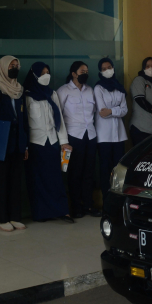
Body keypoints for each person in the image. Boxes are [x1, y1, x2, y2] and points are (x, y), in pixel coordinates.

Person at [24, 62, 74, 224]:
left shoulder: (52, 94)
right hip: (36, 143)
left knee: (56, 179)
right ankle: (41, 214)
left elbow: (59, 120)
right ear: (34, 75)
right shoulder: (27, 95)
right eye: (42, 73)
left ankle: (62, 211)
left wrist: (64, 142)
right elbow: (24, 123)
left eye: (48, 72)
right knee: (38, 181)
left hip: (52, 142)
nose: (46, 75)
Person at [0, 56, 29, 232]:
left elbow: (23, 118)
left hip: (18, 142)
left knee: (16, 181)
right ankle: (1, 218)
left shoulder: (19, 89)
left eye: (17, 65)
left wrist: (25, 145)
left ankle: (15, 217)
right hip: (1, 142)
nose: (15, 68)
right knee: (1, 181)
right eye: (11, 65)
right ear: (3, 67)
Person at [57, 61, 99, 218]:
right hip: (73, 137)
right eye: (82, 71)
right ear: (74, 73)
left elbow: (94, 112)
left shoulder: (90, 90)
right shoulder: (63, 91)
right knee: (74, 173)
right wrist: (62, 141)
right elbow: (58, 117)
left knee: (89, 172)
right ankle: (76, 206)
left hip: (91, 135)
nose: (85, 73)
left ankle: (88, 205)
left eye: (87, 71)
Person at [94, 58, 128, 200]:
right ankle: (107, 199)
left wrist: (111, 111)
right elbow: (103, 112)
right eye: (104, 68)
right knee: (105, 168)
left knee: (119, 168)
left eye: (109, 67)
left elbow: (125, 110)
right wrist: (116, 110)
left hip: (119, 135)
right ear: (100, 71)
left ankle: (118, 198)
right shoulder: (98, 88)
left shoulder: (119, 87)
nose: (107, 70)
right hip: (104, 136)